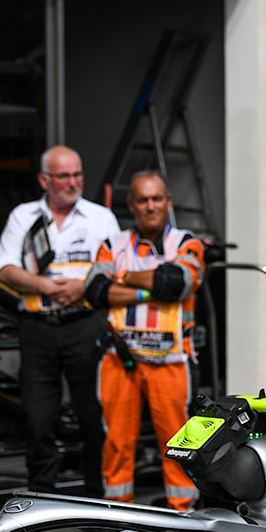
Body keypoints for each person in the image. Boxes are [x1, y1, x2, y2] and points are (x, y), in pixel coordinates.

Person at [0, 145, 119, 495]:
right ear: (43, 180)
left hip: (86, 324)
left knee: (93, 412)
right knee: (38, 416)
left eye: (77, 174)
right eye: (63, 176)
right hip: (38, 328)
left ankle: (97, 495)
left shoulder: (100, 217)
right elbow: (2, 267)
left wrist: (83, 288)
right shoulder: (24, 216)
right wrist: (44, 286)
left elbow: (117, 268)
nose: (73, 182)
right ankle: (41, 495)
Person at [82, 172, 204, 510]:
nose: (150, 206)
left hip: (171, 361)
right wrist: (147, 290)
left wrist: (123, 278)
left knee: (179, 444)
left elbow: (176, 282)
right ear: (132, 205)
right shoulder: (113, 245)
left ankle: (184, 516)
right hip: (119, 360)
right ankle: (115, 514)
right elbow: (95, 290)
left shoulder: (186, 243)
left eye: (156, 199)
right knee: (116, 444)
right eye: (143, 200)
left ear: (168, 201)